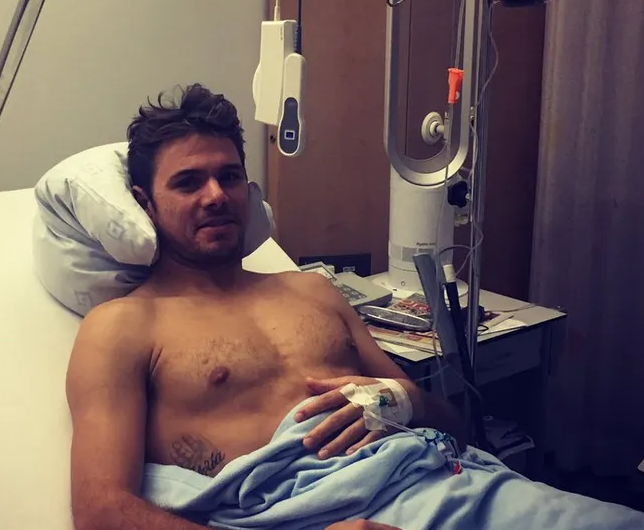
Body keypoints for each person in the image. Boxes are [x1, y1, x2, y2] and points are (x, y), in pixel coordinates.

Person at [65, 83, 460, 530]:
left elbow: (452, 425)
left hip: (441, 483)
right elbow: (101, 512)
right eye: (188, 182)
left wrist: (409, 399)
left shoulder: (313, 291)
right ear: (145, 204)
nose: (216, 195)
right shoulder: (122, 326)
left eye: (229, 177)